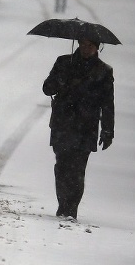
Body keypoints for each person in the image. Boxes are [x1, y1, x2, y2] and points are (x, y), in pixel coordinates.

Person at [42, 37, 114, 219]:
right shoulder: (63, 62)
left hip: (86, 127)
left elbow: (107, 103)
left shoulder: (103, 71)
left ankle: (71, 208)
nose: (85, 48)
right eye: (82, 44)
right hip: (62, 124)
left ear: (97, 48)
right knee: (62, 166)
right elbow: (47, 88)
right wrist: (59, 80)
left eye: (90, 45)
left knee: (78, 169)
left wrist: (108, 130)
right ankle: (63, 204)